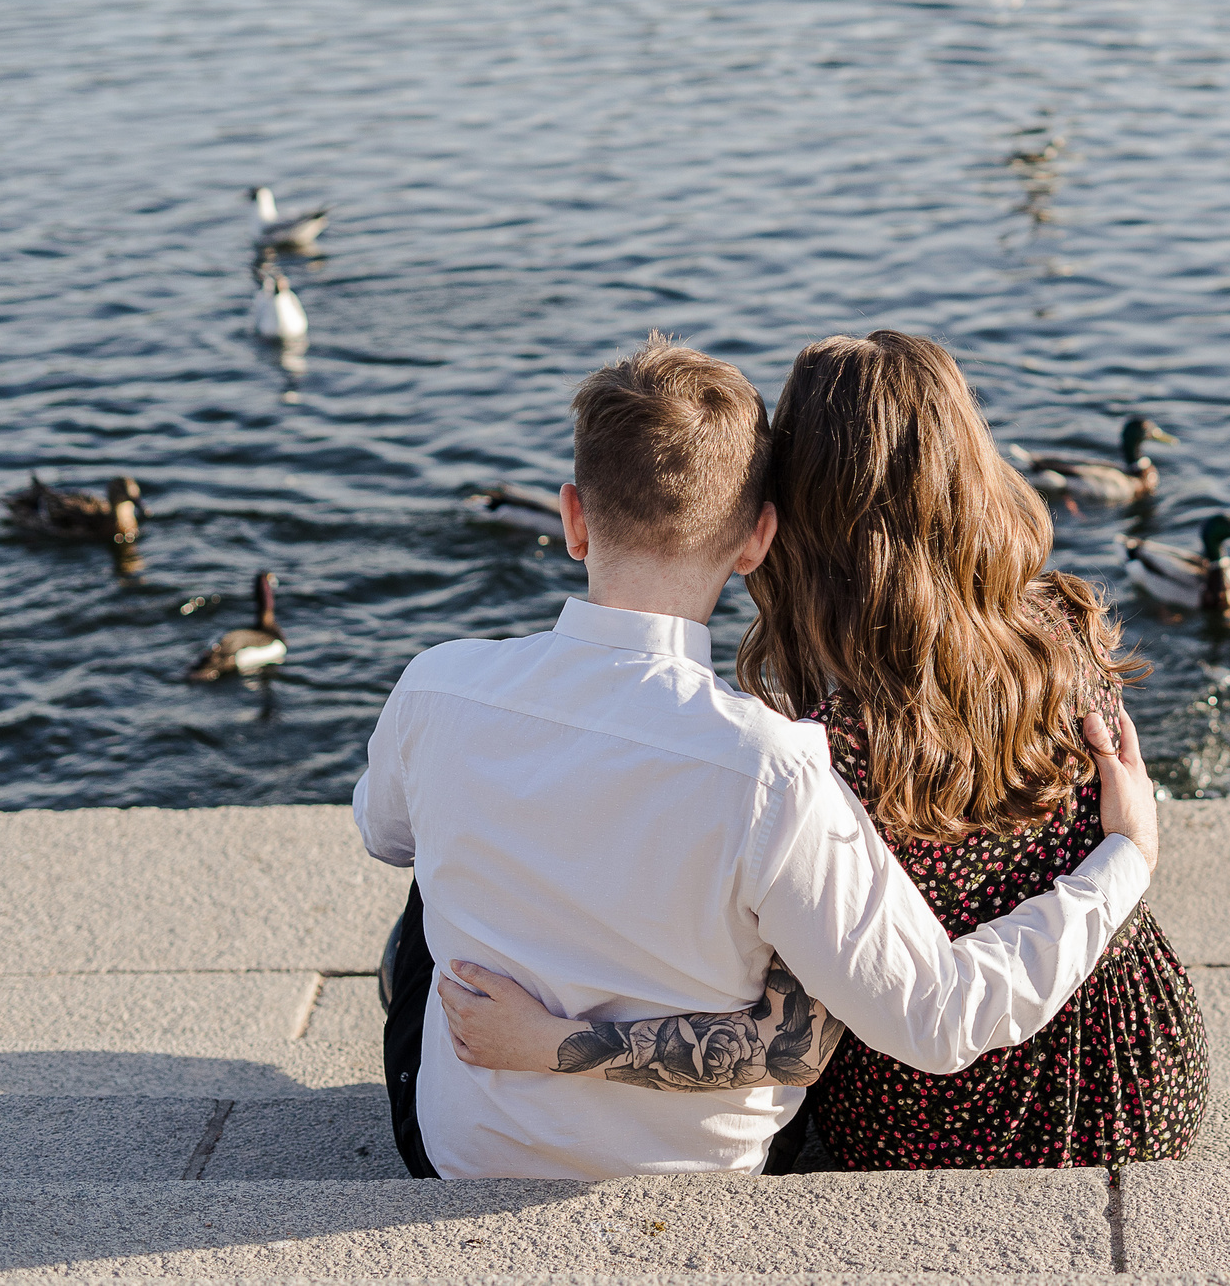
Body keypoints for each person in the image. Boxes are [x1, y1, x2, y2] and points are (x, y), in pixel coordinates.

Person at [354, 334, 1159, 1180]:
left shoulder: (435, 685)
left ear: (573, 518)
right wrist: (1125, 856)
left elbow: (384, 831)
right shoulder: (781, 765)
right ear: (755, 539)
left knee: (436, 844)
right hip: (702, 1167)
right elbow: (936, 1015)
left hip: (459, 1151)